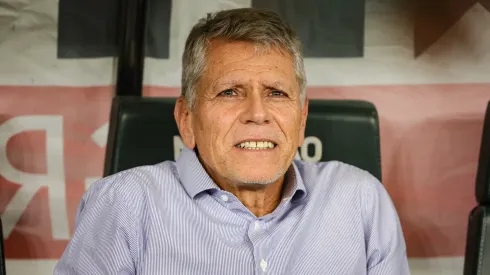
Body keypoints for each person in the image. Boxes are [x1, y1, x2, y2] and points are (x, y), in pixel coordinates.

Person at [54, 8, 410, 275]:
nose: (257, 113)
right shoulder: (125, 203)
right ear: (186, 119)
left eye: (275, 93)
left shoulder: (360, 199)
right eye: (229, 92)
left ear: (301, 119)